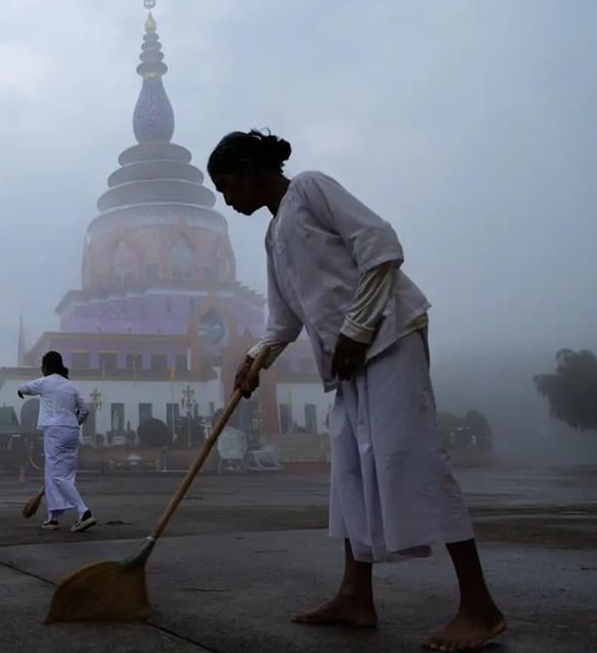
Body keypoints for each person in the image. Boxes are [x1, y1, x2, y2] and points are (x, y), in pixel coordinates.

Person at [208, 129, 504, 651]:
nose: (227, 199)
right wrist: (254, 361)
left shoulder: (312, 189)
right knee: (348, 472)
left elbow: (382, 246)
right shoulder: (273, 237)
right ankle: (355, 597)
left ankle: (480, 607)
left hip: (390, 337)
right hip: (348, 362)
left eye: (228, 183)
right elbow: (283, 321)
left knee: (410, 459)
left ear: (253, 168)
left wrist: (357, 327)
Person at [17, 351, 95, 532]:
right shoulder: (71, 386)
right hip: (72, 430)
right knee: (61, 474)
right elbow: (84, 411)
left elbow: (25, 387)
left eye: (42, 366)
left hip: (54, 431)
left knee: (57, 475)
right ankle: (52, 518)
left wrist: (19, 391)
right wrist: (73, 423)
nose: (42, 369)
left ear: (48, 366)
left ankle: (84, 512)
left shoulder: (46, 382)